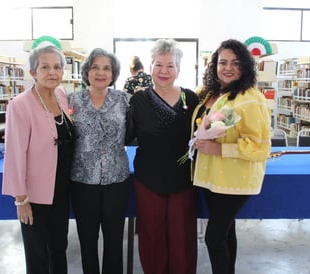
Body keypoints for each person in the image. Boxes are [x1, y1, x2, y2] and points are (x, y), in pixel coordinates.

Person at [191, 39, 271, 274]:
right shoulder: (213, 93)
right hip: (215, 177)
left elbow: (260, 147)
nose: (228, 67)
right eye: (222, 62)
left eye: (235, 63)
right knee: (226, 233)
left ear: (245, 66)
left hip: (235, 179)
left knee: (214, 239)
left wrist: (219, 149)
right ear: (214, 65)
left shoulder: (251, 98)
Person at [126, 38, 199, 274]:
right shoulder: (138, 100)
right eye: (158, 65)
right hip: (149, 179)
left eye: (170, 65)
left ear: (178, 70)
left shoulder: (191, 98)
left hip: (183, 180)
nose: (164, 71)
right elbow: (126, 135)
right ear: (150, 68)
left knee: (183, 237)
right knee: (151, 235)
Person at [2, 44, 75, 274]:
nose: (52, 72)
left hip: (61, 190)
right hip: (35, 196)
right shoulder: (20, 105)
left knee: (59, 247)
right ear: (33, 72)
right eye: (45, 67)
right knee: (37, 253)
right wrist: (21, 200)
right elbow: (14, 155)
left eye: (57, 67)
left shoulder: (62, 96)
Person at [68, 48, 131, 274]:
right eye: (95, 67)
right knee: (87, 240)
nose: (100, 72)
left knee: (114, 240)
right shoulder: (70, 100)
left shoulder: (125, 100)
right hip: (82, 180)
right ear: (86, 72)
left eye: (106, 68)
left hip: (117, 179)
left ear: (113, 74)